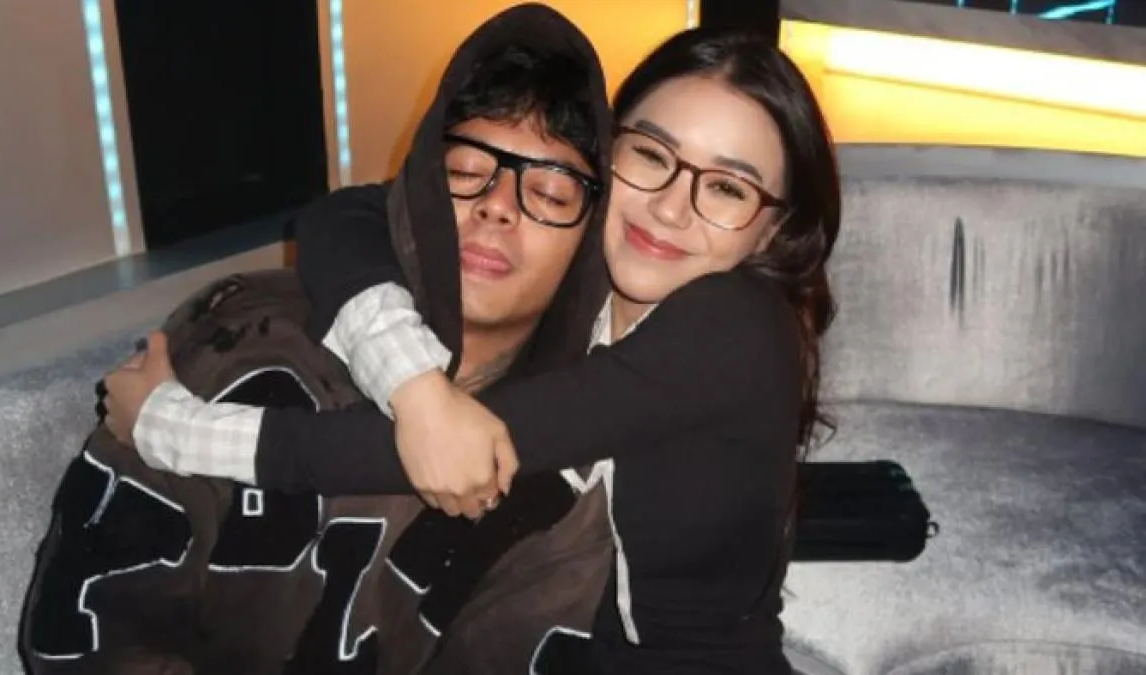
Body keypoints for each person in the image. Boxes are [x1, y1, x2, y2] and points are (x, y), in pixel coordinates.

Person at [107, 27, 841, 674]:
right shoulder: (588, 270)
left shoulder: (734, 323)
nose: (671, 206)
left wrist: (173, 428)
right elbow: (344, 215)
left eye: (728, 189)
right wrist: (416, 385)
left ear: (774, 230)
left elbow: (460, 447)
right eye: (651, 155)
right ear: (607, 154)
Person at [22, 5, 617, 674]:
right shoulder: (246, 341)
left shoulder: (570, 481)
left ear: (592, 235)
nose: (498, 205)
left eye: (551, 193)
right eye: (466, 170)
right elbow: (90, 633)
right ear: (420, 183)